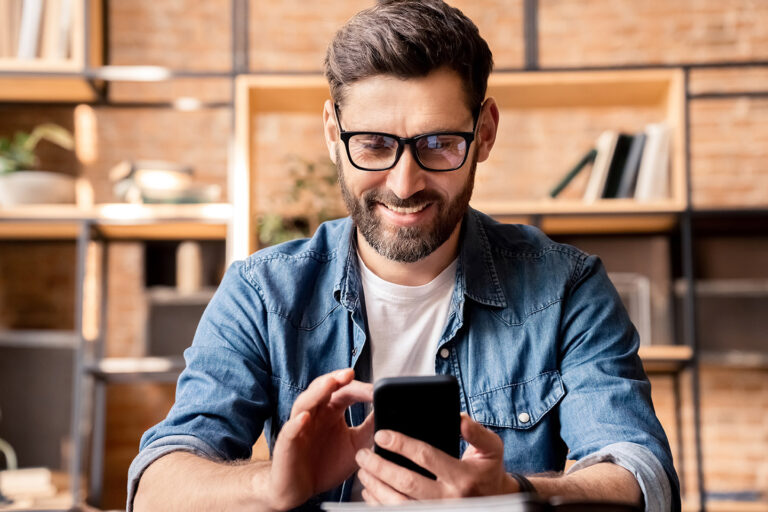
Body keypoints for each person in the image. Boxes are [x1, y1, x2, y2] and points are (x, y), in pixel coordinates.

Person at [129, 1, 679, 511]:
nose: (403, 182)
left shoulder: (568, 287)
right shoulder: (261, 292)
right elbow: (155, 483)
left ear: (483, 133)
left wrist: (513, 492)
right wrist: (269, 483)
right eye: (373, 144)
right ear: (332, 134)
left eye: (439, 143)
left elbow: (641, 471)